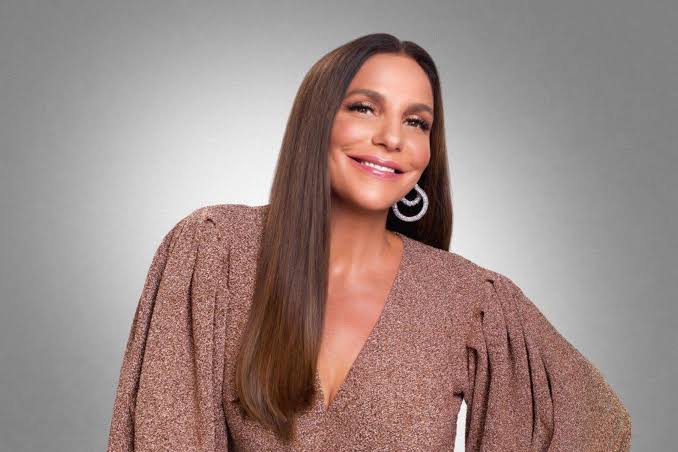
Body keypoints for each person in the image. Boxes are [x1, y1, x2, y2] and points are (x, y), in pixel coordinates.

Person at [106, 33, 631, 451]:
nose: (392, 138)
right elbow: (162, 435)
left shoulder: (467, 298)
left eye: (416, 122)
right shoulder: (215, 250)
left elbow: (594, 423)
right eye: (364, 108)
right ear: (317, 122)